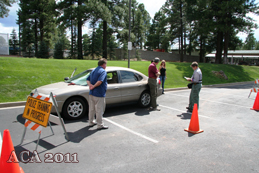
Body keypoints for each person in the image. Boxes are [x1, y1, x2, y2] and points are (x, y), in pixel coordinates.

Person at [86, 58, 108, 130]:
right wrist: (94, 86)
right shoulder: (103, 71)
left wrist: (90, 86)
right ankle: (100, 125)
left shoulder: (93, 70)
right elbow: (100, 82)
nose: (106, 66)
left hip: (91, 93)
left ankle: (91, 122)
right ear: (103, 64)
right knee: (99, 110)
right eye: (106, 64)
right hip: (99, 94)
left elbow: (87, 79)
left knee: (91, 109)